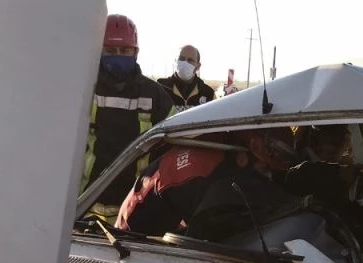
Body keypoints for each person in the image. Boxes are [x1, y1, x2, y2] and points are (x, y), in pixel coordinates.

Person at [115, 130, 298, 239]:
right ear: (255, 147)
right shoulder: (202, 176)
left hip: (165, 223)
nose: (267, 176)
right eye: (265, 169)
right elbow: (205, 238)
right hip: (133, 241)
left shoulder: (222, 146)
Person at [81, 14, 175, 223]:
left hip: (134, 209)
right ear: (99, 51)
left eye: (124, 51)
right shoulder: (83, 90)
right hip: (84, 208)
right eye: (110, 51)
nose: (118, 56)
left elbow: (178, 139)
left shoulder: (155, 95)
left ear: (136, 52)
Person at [157, 45, 215, 112]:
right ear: (176, 61)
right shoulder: (161, 88)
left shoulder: (208, 93)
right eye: (181, 58)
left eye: (190, 60)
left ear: (198, 66)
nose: (185, 63)